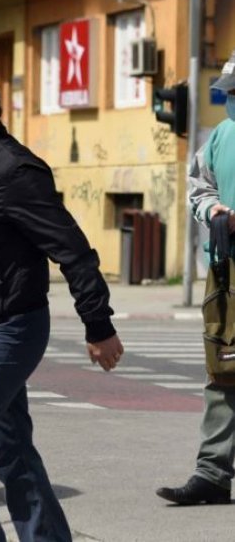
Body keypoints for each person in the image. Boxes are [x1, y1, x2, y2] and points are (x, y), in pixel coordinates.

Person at [0, 66, 124, 541]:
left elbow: (72, 249)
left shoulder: (13, 169)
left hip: (11, 329)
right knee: (10, 447)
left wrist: (97, 325)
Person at [156, 49, 235, 506]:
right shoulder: (221, 136)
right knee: (224, 369)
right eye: (229, 94)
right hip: (227, 267)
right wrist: (214, 209)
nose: (231, 102)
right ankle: (212, 473)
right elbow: (198, 186)